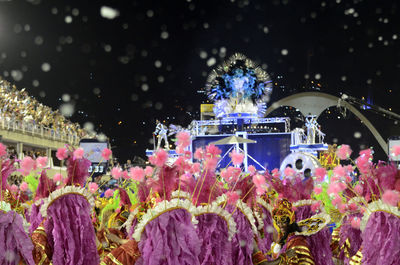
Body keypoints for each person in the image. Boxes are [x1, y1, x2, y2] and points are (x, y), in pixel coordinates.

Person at [252, 199, 315, 265]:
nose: (280, 225)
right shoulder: (284, 240)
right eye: (278, 222)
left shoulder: (297, 241)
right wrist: (283, 257)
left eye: (283, 221)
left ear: (290, 221)